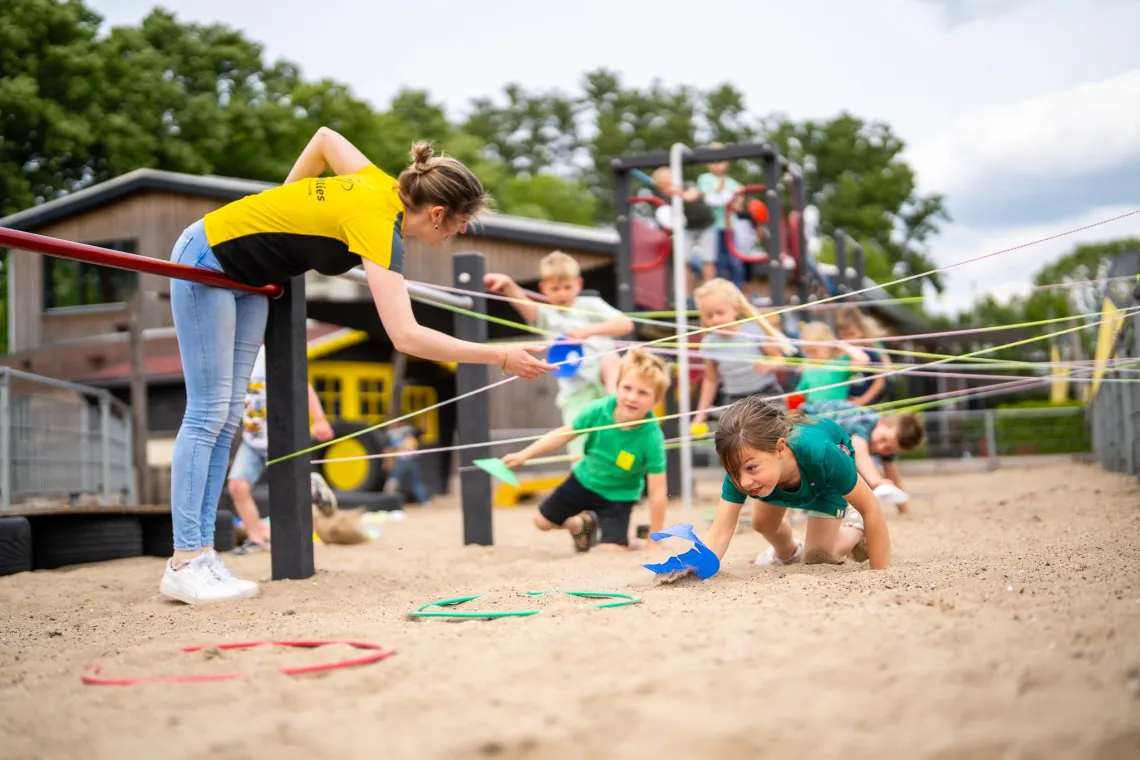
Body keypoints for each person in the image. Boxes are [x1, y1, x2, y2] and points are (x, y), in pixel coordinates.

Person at [161, 127, 554, 606]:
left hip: (250, 277)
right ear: (436, 213)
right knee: (207, 413)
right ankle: (185, 559)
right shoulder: (380, 226)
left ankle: (202, 556)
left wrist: (283, 211)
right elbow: (406, 336)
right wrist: (500, 355)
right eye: (460, 222)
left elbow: (326, 140)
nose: (461, 232)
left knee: (226, 417)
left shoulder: (378, 182)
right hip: (209, 256)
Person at [501, 349, 670, 552]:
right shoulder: (598, 409)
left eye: (643, 393)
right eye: (627, 388)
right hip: (583, 481)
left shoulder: (652, 437)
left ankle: (633, 542)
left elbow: (658, 491)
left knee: (610, 550)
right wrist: (523, 455)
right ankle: (581, 525)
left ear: (656, 400)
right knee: (541, 522)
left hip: (618, 497)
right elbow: (563, 434)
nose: (632, 397)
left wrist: (655, 539)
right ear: (617, 386)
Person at [701, 396, 891, 570]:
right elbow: (720, 530)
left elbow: (870, 508)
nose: (743, 482)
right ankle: (789, 553)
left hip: (825, 483)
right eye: (734, 472)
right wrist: (697, 567)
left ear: (780, 449)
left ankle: (855, 528)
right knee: (762, 524)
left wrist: (880, 572)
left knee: (817, 557)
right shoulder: (742, 466)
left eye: (751, 468)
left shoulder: (823, 454)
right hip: (776, 480)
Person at [484, 252, 635, 458]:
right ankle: (579, 471)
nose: (562, 293)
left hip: (604, 378)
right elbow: (526, 307)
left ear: (578, 284)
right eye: (555, 289)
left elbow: (625, 324)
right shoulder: (547, 315)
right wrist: (509, 286)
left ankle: (615, 406)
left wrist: (587, 331)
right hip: (576, 388)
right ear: (543, 288)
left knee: (610, 359)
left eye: (567, 287)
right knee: (578, 443)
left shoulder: (590, 305)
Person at [226, 344, 335, 554]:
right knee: (237, 486)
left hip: (282, 438)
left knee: (291, 489)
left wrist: (320, 419)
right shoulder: (227, 361)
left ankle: (313, 490)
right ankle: (255, 539)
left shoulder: (267, 354)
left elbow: (302, 385)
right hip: (252, 440)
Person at [690, 278, 794, 430]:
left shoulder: (752, 331)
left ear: (736, 309)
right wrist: (701, 414)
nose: (715, 320)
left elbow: (781, 360)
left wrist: (769, 364)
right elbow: (711, 379)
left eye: (720, 313)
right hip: (734, 400)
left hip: (766, 395)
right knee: (735, 439)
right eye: (709, 315)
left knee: (772, 435)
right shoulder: (709, 343)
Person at [800, 400, 925, 514]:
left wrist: (904, 510)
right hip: (803, 420)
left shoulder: (888, 439)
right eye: (883, 439)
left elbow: (893, 476)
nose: (881, 447)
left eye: (889, 449)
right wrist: (875, 481)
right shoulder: (864, 421)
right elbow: (859, 450)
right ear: (882, 422)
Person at [650, 166, 717, 283]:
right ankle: (686, 292)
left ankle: (710, 287)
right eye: (665, 185)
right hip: (687, 228)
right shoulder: (664, 198)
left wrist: (678, 193)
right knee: (684, 262)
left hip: (705, 225)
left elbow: (692, 195)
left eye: (670, 183)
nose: (669, 187)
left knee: (707, 260)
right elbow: (666, 216)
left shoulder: (687, 185)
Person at [697, 144, 745, 289]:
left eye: (720, 161)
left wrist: (738, 197)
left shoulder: (732, 183)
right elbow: (708, 199)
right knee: (717, 261)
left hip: (730, 227)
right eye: (713, 161)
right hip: (713, 227)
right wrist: (724, 192)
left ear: (727, 163)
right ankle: (718, 291)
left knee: (734, 261)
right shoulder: (705, 179)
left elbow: (738, 206)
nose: (717, 165)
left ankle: (737, 290)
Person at [793, 321, 870, 403]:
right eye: (807, 352)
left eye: (814, 351)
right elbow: (800, 393)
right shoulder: (808, 369)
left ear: (828, 345)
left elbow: (863, 360)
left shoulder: (840, 363)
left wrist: (843, 346)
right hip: (813, 409)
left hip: (835, 409)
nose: (811, 356)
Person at [836, 307, 891, 407]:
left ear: (861, 331)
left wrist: (863, 400)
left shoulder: (870, 353)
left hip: (867, 405)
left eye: (852, 334)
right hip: (846, 404)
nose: (849, 339)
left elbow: (880, 381)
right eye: (844, 335)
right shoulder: (841, 355)